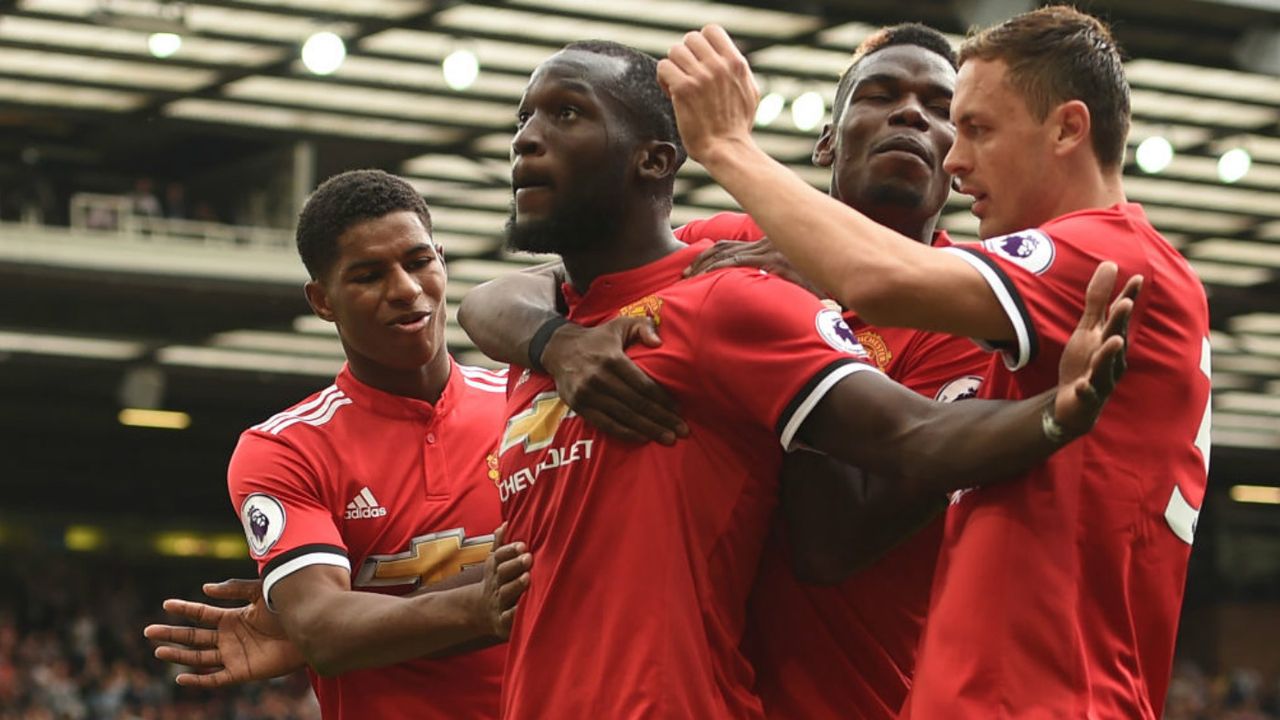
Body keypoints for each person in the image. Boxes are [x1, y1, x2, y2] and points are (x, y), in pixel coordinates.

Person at [458, 39, 1134, 719]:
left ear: (958, 160)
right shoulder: (729, 253)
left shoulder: (961, 321)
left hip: (854, 698)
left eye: (940, 110)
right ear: (826, 141)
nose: (911, 117)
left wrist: (805, 322)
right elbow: (515, 292)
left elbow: (834, 538)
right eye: (879, 95)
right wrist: (559, 343)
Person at [659, 7, 1208, 718]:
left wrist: (729, 146)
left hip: (1046, 698)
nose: (952, 159)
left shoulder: (1111, 256)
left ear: (1069, 129)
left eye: (975, 128)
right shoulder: (1052, 303)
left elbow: (873, 279)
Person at [144, 169, 531, 720]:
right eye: (369, 275)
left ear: (441, 261)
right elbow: (326, 632)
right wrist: (485, 599)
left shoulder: (532, 406)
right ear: (322, 300)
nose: (405, 288)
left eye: (419, 261)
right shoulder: (287, 449)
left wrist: (368, 621)